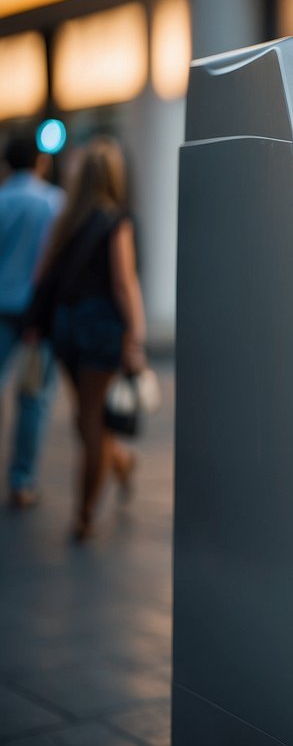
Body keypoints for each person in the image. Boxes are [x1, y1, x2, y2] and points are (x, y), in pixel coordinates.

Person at [33, 136, 146, 541]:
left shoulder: (66, 219)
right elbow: (123, 282)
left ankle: (115, 464)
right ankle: (84, 514)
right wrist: (136, 333)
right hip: (99, 328)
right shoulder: (116, 219)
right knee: (93, 419)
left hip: (64, 327)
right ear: (114, 176)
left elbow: (41, 275)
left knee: (85, 415)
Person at [0, 130, 65, 508]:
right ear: (39, 161)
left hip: (1, 308)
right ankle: (22, 481)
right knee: (33, 399)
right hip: (38, 317)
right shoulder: (56, 203)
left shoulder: (2, 200)